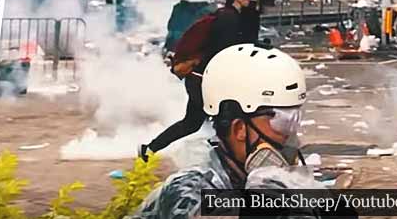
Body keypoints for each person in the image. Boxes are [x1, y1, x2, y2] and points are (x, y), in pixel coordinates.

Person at [131, 45, 356, 219]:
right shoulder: (189, 188)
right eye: (283, 121)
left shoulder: (250, 179)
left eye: (296, 118)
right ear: (239, 129)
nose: (291, 135)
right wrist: (267, 188)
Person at [140, 0, 262, 159]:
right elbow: (226, 52)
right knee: (225, 119)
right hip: (205, 80)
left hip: (200, 78)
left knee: (193, 123)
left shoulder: (228, 15)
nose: (251, 0)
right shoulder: (229, 19)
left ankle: (148, 149)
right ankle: (229, 158)